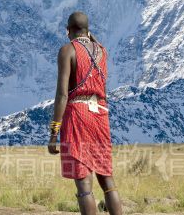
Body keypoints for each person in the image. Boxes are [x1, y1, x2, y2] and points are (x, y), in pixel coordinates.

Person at [48, 11, 123, 215]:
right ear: (88, 30)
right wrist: (91, 37)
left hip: (78, 114)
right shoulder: (102, 51)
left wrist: (54, 132)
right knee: (106, 177)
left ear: (67, 30)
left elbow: (62, 95)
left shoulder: (67, 50)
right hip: (100, 113)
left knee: (83, 184)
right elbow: (92, 45)